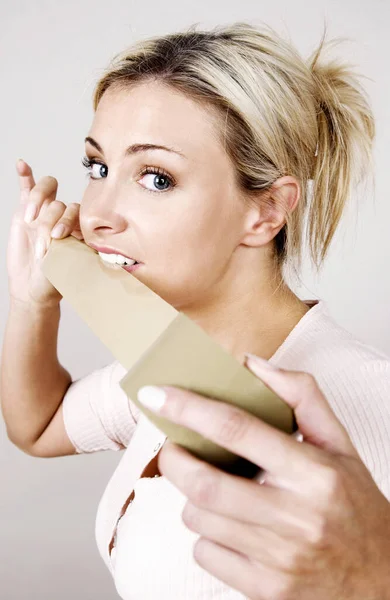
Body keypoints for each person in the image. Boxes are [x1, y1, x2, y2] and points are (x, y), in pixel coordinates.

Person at [1, 20, 389, 600]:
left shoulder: (366, 408)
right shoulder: (175, 364)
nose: (97, 212)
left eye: (155, 178)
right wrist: (34, 300)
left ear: (266, 212)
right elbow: (39, 425)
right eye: (98, 168)